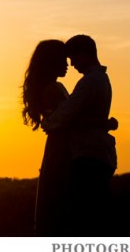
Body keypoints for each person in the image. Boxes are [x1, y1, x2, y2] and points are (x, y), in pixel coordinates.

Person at [42, 35, 117, 235]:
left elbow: (66, 113)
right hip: (98, 152)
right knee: (94, 213)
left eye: (73, 58)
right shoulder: (101, 79)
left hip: (89, 154)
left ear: (85, 54)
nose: (72, 64)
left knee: (86, 215)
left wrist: (47, 122)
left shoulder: (89, 82)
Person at [22, 39, 73, 236]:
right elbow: (65, 120)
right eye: (63, 60)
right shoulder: (52, 89)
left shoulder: (53, 87)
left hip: (57, 146)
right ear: (52, 61)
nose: (67, 65)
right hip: (61, 147)